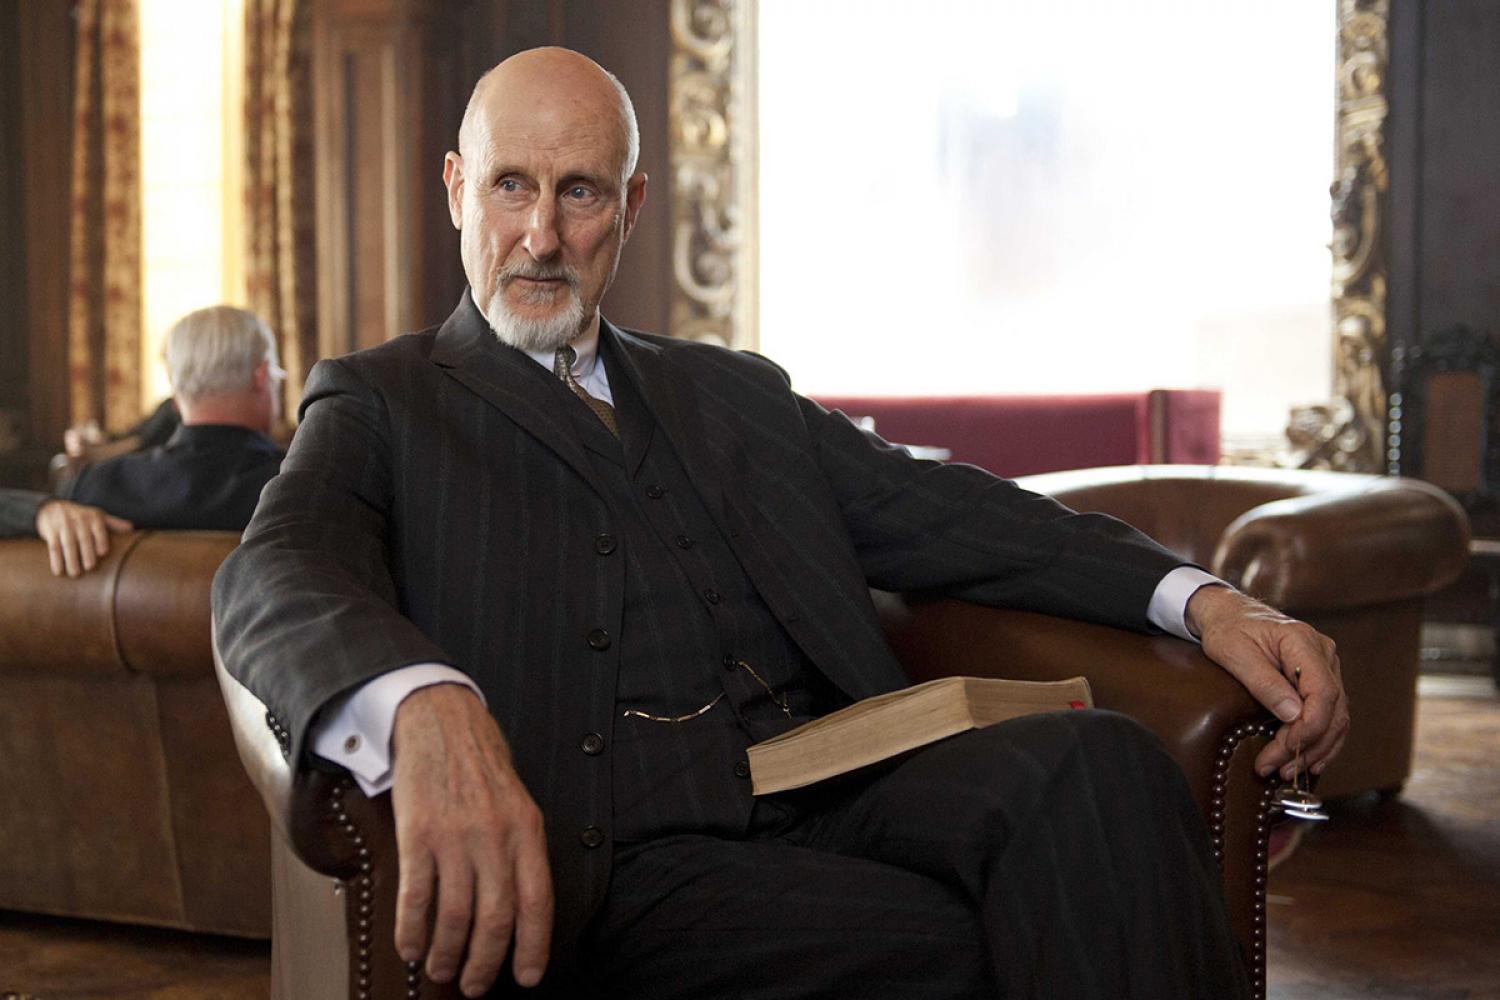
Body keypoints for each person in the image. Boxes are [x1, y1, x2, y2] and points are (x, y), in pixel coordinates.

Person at [213, 48, 1349, 999]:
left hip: (847, 784)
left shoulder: (731, 392)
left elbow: (953, 511)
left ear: (632, 207)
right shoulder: (385, 399)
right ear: (458, 189)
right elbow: (273, 574)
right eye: (512, 186)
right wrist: (424, 704)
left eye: (581, 193)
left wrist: (1206, 600)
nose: (542, 236)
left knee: (1103, 765)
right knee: (972, 944)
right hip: (625, 858)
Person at [0, 305, 286, 577]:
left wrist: (41, 512)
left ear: (175, 390)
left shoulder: (93, 489)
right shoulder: (294, 486)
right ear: (261, 378)